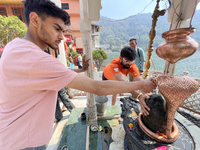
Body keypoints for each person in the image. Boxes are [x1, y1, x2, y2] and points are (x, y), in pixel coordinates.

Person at [0, 0, 155, 149]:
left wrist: (81, 70)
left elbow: (59, 72)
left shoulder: (15, 46)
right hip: (22, 142)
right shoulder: (36, 58)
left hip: (15, 135)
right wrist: (141, 85)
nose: (61, 37)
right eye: (57, 29)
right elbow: (97, 87)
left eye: (63, 31)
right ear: (35, 19)